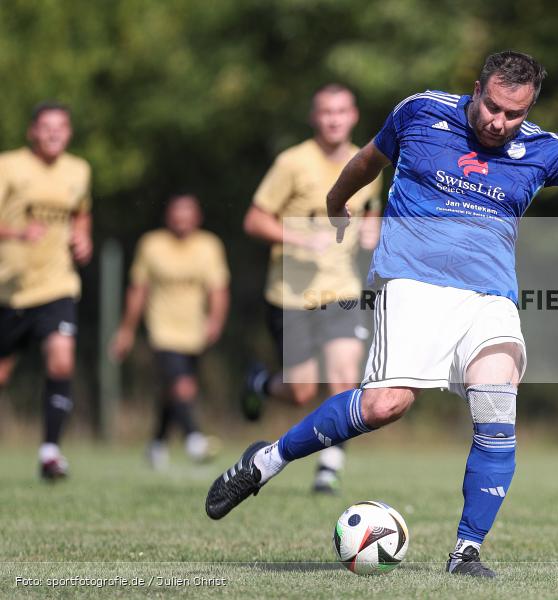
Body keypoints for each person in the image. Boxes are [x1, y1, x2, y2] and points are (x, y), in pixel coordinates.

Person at [206, 51, 558, 576]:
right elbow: (366, 161)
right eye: (493, 106)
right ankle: (267, 461)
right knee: (384, 406)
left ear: (530, 109)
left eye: (514, 113)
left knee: (497, 408)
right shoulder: (420, 112)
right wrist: (334, 202)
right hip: (413, 284)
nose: (499, 121)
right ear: (476, 90)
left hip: (490, 299)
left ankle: (466, 548)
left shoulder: (545, 149)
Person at [240, 83, 382, 493]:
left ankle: (328, 470)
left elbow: (370, 213)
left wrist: (373, 229)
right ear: (313, 117)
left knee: (343, 380)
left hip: (342, 291)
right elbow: (254, 220)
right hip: (291, 294)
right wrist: (299, 238)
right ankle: (261, 384)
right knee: (301, 391)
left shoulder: (367, 162)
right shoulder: (292, 163)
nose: (333, 119)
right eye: (325, 112)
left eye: (341, 111)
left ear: (353, 116)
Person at [0, 102, 92, 480]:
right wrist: (18, 234)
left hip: (58, 286)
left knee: (61, 360)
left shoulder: (79, 169)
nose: (54, 133)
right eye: (46, 127)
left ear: (69, 133)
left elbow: (81, 212)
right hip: (11, 289)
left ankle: (50, 451)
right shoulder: (9, 165)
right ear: (32, 132)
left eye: (61, 127)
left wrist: (83, 236)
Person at [110, 194, 229, 469]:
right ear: (168, 217)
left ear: (197, 217)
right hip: (162, 331)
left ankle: (157, 443)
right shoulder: (151, 245)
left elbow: (218, 290)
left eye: (188, 214)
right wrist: (126, 330)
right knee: (182, 387)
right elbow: (138, 290)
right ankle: (194, 438)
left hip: (194, 332)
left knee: (172, 392)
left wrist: (215, 320)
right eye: (177, 213)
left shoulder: (209, 246)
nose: (181, 220)